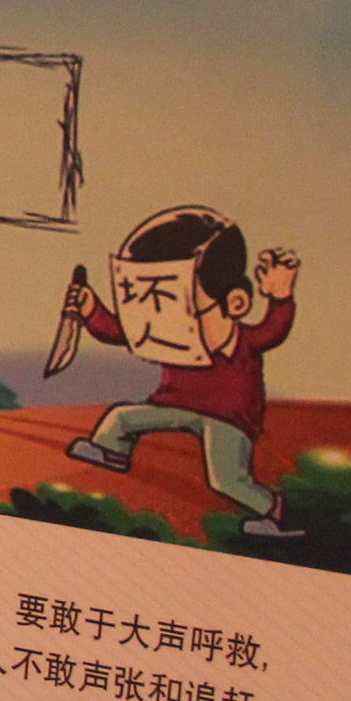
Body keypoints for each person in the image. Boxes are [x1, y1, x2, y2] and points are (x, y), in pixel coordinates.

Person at [57, 205, 305, 537]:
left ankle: (273, 511)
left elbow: (272, 331)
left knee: (227, 480)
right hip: (174, 404)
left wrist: (281, 296)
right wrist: (91, 308)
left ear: (236, 303)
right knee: (120, 418)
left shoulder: (241, 339)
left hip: (227, 417)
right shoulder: (163, 330)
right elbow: (120, 331)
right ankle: (113, 451)